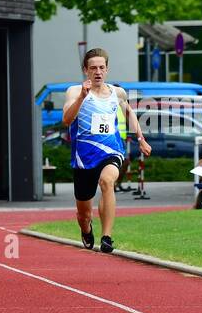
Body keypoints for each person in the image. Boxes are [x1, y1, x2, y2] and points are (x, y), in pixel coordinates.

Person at [62, 48, 150, 253]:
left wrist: (141, 139)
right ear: (86, 70)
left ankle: (107, 237)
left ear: (107, 70)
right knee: (83, 214)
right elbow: (66, 120)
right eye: (93, 68)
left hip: (111, 152)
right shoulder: (74, 92)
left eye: (102, 67)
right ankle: (86, 230)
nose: (98, 72)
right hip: (84, 158)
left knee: (107, 181)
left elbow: (129, 112)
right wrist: (82, 98)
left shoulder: (117, 93)